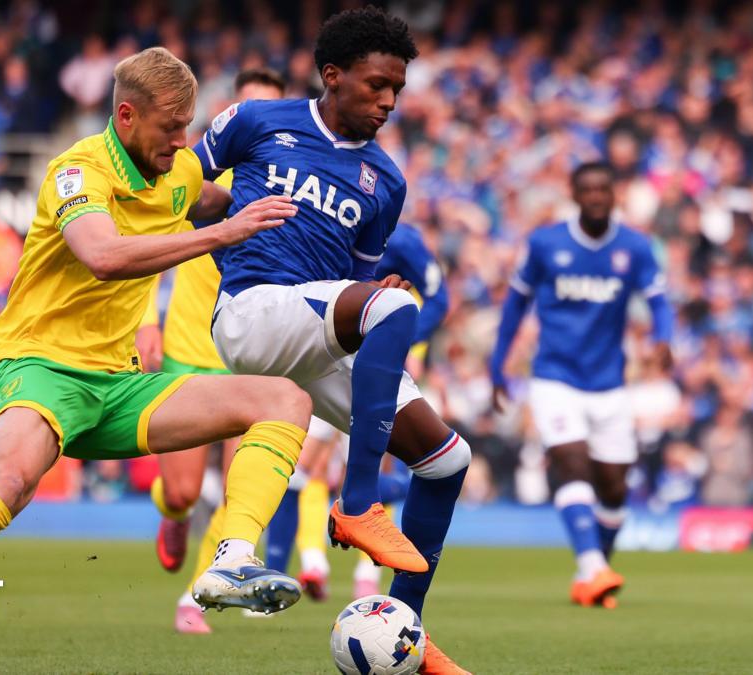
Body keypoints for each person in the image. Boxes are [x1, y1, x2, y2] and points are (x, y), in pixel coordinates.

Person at [0, 47, 310, 675]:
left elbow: (221, 200)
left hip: (121, 385)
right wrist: (219, 233)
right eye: (171, 127)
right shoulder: (76, 171)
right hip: (42, 369)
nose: (184, 141)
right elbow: (103, 255)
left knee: (286, 400)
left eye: (188, 126)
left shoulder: (178, 171)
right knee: (8, 484)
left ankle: (232, 558)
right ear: (126, 116)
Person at [195, 8, 470, 672]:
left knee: (446, 460)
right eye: (376, 84)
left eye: (396, 89)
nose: (388, 101)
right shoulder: (256, 121)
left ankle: (406, 630)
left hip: (314, 330)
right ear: (333, 75)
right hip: (252, 311)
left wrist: (372, 294)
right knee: (392, 309)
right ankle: (359, 502)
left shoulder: (386, 181)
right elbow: (177, 190)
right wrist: (222, 243)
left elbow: (355, 277)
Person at [135, 67, 288, 635]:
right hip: (188, 344)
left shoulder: (292, 176)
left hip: (250, 354)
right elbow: (148, 237)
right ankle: (171, 512)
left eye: (271, 109)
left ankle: (196, 595)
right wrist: (145, 321)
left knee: (239, 486)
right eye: (250, 107)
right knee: (181, 490)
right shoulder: (196, 168)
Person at [489, 161, 674, 608]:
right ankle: (593, 567)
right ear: (573, 194)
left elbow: (659, 302)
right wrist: (498, 364)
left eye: (602, 189)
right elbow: (515, 305)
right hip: (555, 376)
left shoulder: (635, 247)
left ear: (614, 195)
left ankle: (593, 572)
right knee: (571, 463)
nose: (595, 197)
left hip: (609, 383)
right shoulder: (545, 243)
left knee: (614, 488)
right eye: (587, 189)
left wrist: (664, 339)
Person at [263, 220, 450, 600]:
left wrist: (397, 343)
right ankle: (283, 574)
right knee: (301, 469)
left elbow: (438, 298)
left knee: (367, 471)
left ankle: (367, 573)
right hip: (324, 356)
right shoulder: (326, 220)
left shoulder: (404, 240)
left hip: (374, 367)